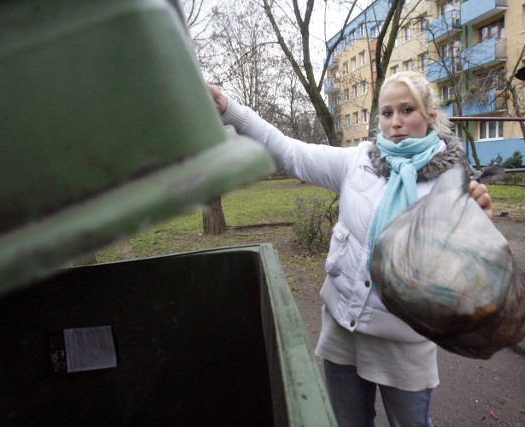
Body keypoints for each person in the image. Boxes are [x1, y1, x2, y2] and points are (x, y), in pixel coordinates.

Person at [209, 71, 492, 427]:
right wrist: (229, 109)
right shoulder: (358, 162)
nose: (396, 122)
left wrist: (479, 224)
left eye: (407, 110)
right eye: (387, 113)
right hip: (345, 330)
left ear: (430, 115)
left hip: (404, 343)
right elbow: (289, 151)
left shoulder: (452, 182)